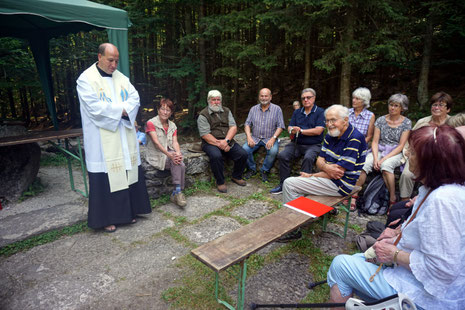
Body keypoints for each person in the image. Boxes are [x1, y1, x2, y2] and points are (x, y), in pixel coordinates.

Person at [327, 125, 465, 310]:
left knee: (340, 266)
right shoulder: (443, 188)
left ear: (431, 162)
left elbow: (442, 270)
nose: (407, 155)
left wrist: (395, 254)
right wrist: (396, 236)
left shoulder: (442, 201)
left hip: (431, 298)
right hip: (428, 284)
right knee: (360, 259)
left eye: (414, 153)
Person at [76, 43, 151, 233]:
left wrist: (125, 110)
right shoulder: (86, 80)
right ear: (99, 56)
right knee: (105, 177)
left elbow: (135, 98)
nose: (114, 65)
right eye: (110, 60)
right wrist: (123, 110)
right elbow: (95, 108)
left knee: (126, 173)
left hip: (123, 136)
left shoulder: (122, 78)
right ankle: (106, 218)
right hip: (102, 139)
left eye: (117, 60)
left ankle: (128, 213)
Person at [282, 105, 367, 203]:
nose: (329, 124)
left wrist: (311, 176)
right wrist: (326, 167)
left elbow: (336, 174)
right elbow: (319, 161)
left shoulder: (354, 138)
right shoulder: (331, 134)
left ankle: (293, 216)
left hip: (341, 185)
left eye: (333, 120)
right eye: (327, 121)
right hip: (330, 180)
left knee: (289, 183)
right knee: (297, 183)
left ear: (345, 120)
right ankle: (303, 212)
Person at [352, 94, 411, 210]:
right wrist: (375, 158)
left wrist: (382, 159)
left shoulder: (406, 123)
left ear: (402, 108)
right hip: (380, 148)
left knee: (386, 166)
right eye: (391, 105)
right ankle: (354, 195)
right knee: (364, 164)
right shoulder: (381, 120)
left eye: (396, 106)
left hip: (396, 152)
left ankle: (392, 198)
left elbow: (401, 146)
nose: (392, 108)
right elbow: (374, 142)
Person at [270, 88, 325, 194]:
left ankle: (302, 187)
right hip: (297, 143)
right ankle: (283, 184)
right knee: (283, 155)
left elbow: (319, 130)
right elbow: (290, 127)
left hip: (314, 144)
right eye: (303, 98)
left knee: (308, 157)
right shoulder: (297, 112)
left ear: (314, 98)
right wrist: (292, 130)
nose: (306, 100)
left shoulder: (320, 112)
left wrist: (301, 130)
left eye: (308, 97)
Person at [399, 92, 452, 201]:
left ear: (448, 109)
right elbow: (410, 139)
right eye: (434, 105)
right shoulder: (423, 122)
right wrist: (407, 153)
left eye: (441, 105)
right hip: (418, 156)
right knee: (407, 175)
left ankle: (429, 201)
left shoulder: (452, 123)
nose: (436, 107)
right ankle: (405, 202)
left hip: (442, 160)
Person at [197, 90, 248, 193]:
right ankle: (220, 182)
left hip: (227, 140)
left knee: (243, 154)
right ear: (208, 101)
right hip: (210, 142)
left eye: (218, 100)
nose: (216, 102)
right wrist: (221, 144)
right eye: (213, 100)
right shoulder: (203, 115)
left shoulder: (226, 111)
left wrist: (226, 141)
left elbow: (233, 127)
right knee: (216, 156)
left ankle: (236, 176)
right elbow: (205, 135)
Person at [145, 98, 186, 207]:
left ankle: (177, 192)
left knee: (180, 162)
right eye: (162, 109)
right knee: (177, 163)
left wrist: (177, 153)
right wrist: (170, 156)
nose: (165, 112)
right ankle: (177, 192)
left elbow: (175, 142)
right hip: (156, 154)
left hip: (169, 152)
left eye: (168, 110)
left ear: (171, 112)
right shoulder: (151, 123)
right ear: (158, 110)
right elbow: (156, 143)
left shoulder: (172, 125)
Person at [242, 88, 285, 182]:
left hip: (270, 138)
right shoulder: (253, 109)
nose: (264, 98)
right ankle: (252, 169)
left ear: (270, 97)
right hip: (255, 138)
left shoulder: (277, 109)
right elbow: (247, 124)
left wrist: (273, 139)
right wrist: (249, 137)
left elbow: (280, 126)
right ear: (259, 97)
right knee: (244, 150)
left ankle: (264, 171)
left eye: (266, 96)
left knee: (273, 151)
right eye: (262, 95)